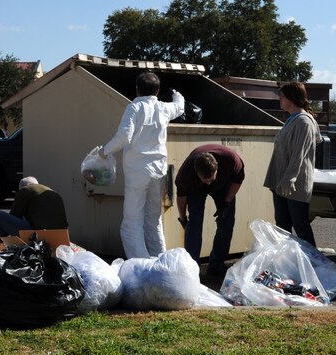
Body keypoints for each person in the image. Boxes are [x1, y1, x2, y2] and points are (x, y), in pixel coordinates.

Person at [99, 71, 185, 258]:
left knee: (132, 222)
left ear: (137, 89)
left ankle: (140, 267)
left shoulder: (134, 108)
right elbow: (180, 107)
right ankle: (160, 262)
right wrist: (176, 93)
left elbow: (124, 136)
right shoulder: (163, 108)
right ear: (158, 90)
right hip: (159, 170)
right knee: (154, 220)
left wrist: (104, 152)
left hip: (138, 171)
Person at [263, 81, 323, 246]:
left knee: (300, 225)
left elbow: (299, 154)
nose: (279, 100)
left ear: (291, 97)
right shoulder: (292, 119)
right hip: (281, 182)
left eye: (282, 96)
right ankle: (287, 262)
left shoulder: (304, 122)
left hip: (294, 183)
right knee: (282, 226)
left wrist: (289, 178)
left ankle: (315, 264)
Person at [175, 144, 245, 275]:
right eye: (205, 179)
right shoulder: (185, 175)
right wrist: (183, 219)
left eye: (210, 178)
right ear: (197, 173)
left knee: (226, 220)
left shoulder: (231, 160)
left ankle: (216, 265)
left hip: (223, 185)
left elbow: (238, 179)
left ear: (217, 169)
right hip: (196, 189)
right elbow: (181, 198)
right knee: (194, 222)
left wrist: (227, 202)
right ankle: (192, 269)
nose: (208, 182)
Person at [0, 176, 69, 236]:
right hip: (61, 235)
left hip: (39, 235)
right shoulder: (52, 192)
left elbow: (14, 215)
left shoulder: (26, 190)